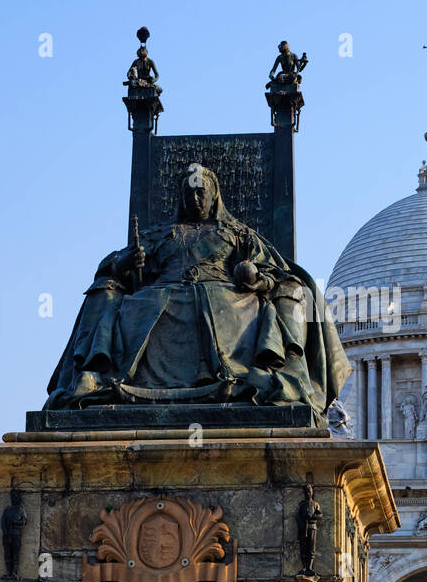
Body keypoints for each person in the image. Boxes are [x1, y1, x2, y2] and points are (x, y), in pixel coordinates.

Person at [45, 163, 348, 422]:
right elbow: (111, 265)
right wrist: (123, 262)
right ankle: (92, 375)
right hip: (160, 293)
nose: (195, 197)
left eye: (201, 190)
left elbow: (275, 272)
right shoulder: (159, 234)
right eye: (189, 191)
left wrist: (258, 280)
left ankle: (284, 374)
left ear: (214, 194)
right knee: (104, 290)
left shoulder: (238, 234)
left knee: (293, 290)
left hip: (224, 295)